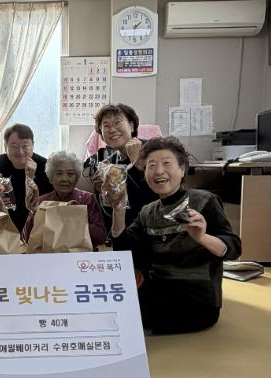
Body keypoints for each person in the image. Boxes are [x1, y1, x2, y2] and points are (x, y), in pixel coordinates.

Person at [109, 136, 241, 335]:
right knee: (110, 307)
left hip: (196, 297)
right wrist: (118, 210)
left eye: (166, 163)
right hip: (157, 289)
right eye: (151, 166)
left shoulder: (204, 201)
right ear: (145, 174)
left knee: (130, 323)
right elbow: (125, 251)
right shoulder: (147, 211)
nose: (159, 171)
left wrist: (202, 237)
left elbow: (234, 248)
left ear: (182, 169)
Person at [84, 103, 157, 231]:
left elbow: (156, 199)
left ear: (131, 126)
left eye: (117, 122)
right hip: (126, 232)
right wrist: (102, 193)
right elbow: (110, 216)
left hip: (155, 229)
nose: (112, 129)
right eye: (106, 126)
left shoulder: (153, 151)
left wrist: (136, 164)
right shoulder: (109, 163)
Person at [23, 150, 106, 250]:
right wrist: (33, 213)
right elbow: (27, 238)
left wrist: (73, 218)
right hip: (50, 255)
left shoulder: (87, 199)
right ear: (50, 178)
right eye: (58, 174)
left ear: (77, 178)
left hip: (80, 256)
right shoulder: (42, 202)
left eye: (70, 174)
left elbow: (100, 236)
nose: (64, 179)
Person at [0, 124, 53, 231]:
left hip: (36, 226)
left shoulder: (45, 166)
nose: (20, 152)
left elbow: (49, 202)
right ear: (5, 146)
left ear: (33, 145)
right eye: (14, 146)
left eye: (25, 146)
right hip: (4, 224)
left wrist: (31, 178)